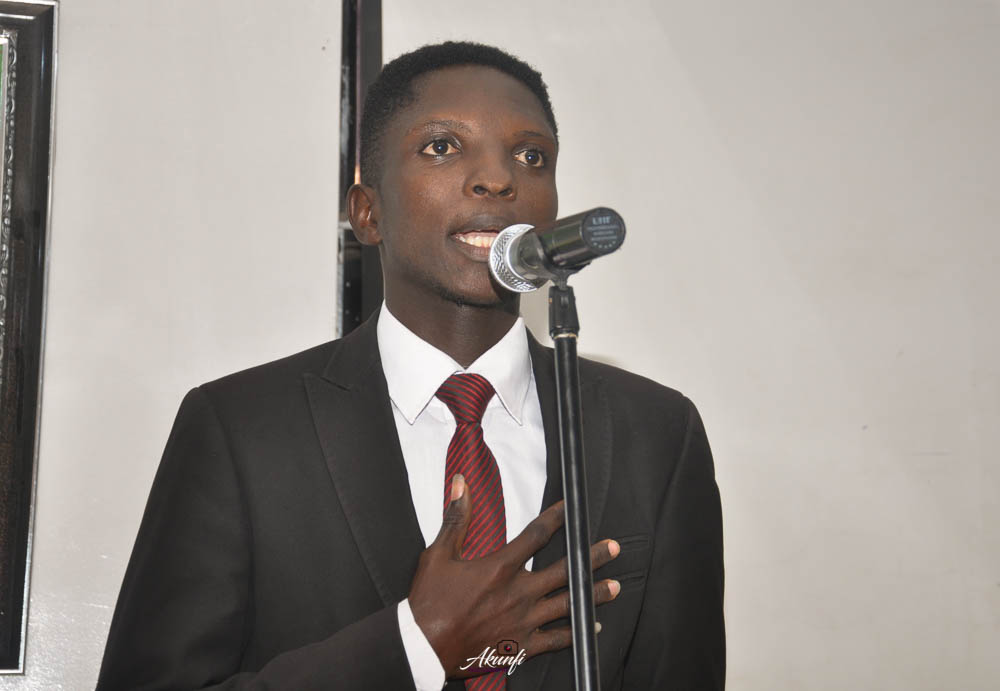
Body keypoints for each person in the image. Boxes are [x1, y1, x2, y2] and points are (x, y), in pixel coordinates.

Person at [97, 41, 725, 690]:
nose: (498, 179)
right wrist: (412, 647)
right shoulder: (241, 429)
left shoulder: (657, 434)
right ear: (367, 213)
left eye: (530, 156)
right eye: (442, 146)